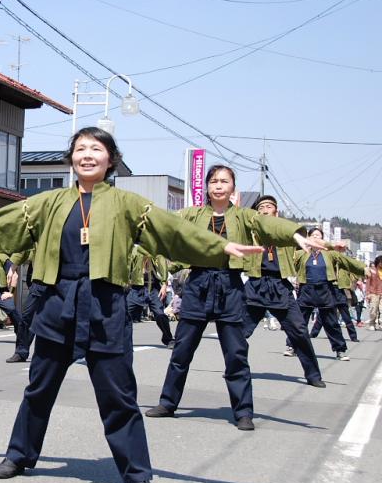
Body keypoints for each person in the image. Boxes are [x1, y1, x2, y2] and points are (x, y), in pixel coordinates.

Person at [0, 128, 263, 483]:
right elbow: (4, 222)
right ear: (72, 157)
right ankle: (19, 454)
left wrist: (221, 245)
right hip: (57, 302)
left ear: (110, 159)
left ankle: (136, 475)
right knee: (39, 388)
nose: (87, 155)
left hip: (106, 305)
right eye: (80, 148)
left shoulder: (127, 203)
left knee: (119, 396)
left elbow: (173, 231)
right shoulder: (49, 201)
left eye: (96, 149)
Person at [145, 166, 323, 431]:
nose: (218, 185)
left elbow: (266, 223)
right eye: (213, 181)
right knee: (182, 350)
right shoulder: (193, 213)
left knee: (236, 354)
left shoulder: (243, 216)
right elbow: (166, 223)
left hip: (230, 287)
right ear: (206, 187)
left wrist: (297, 235)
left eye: (224, 181)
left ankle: (243, 412)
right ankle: (168, 403)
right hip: (197, 285)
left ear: (233, 188)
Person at [240, 195, 325, 387]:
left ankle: (313, 375)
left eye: (269, 206)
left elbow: (306, 241)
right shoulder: (251, 231)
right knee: (238, 332)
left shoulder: (286, 230)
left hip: (280, 286)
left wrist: (327, 245)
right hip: (256, 283)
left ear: (276, 211)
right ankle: (236, 370)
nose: (264, 209)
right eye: (261, 207)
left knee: (299, 331)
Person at [285, 228, 363, 361]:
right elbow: (287, 258)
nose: (316, 238)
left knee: (331, 322)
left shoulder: (330, 254)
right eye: (313, 235)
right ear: (308, 238)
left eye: (319, 236)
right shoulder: (300, 253)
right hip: (306, 289)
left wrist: (364, 269)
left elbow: (346, 261)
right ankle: (292, 346)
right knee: (299, 321)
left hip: (325, 289)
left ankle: (340, 350)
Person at [127, 247, 174, 347]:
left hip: (153, 288)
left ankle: (168, 339)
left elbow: (162, 266)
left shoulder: (155, 250)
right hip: (137, 288)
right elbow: (127, 265)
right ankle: (121, 341)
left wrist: (164, 284)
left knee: (160, 314)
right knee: (125, 314)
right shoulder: (135, 250)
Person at [365, 255, 382, 330]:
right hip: (373, 292)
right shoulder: (371, 270)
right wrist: (368, 293)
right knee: (373, 310)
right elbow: (368, 282)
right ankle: (372, 323)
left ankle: (381, 323)